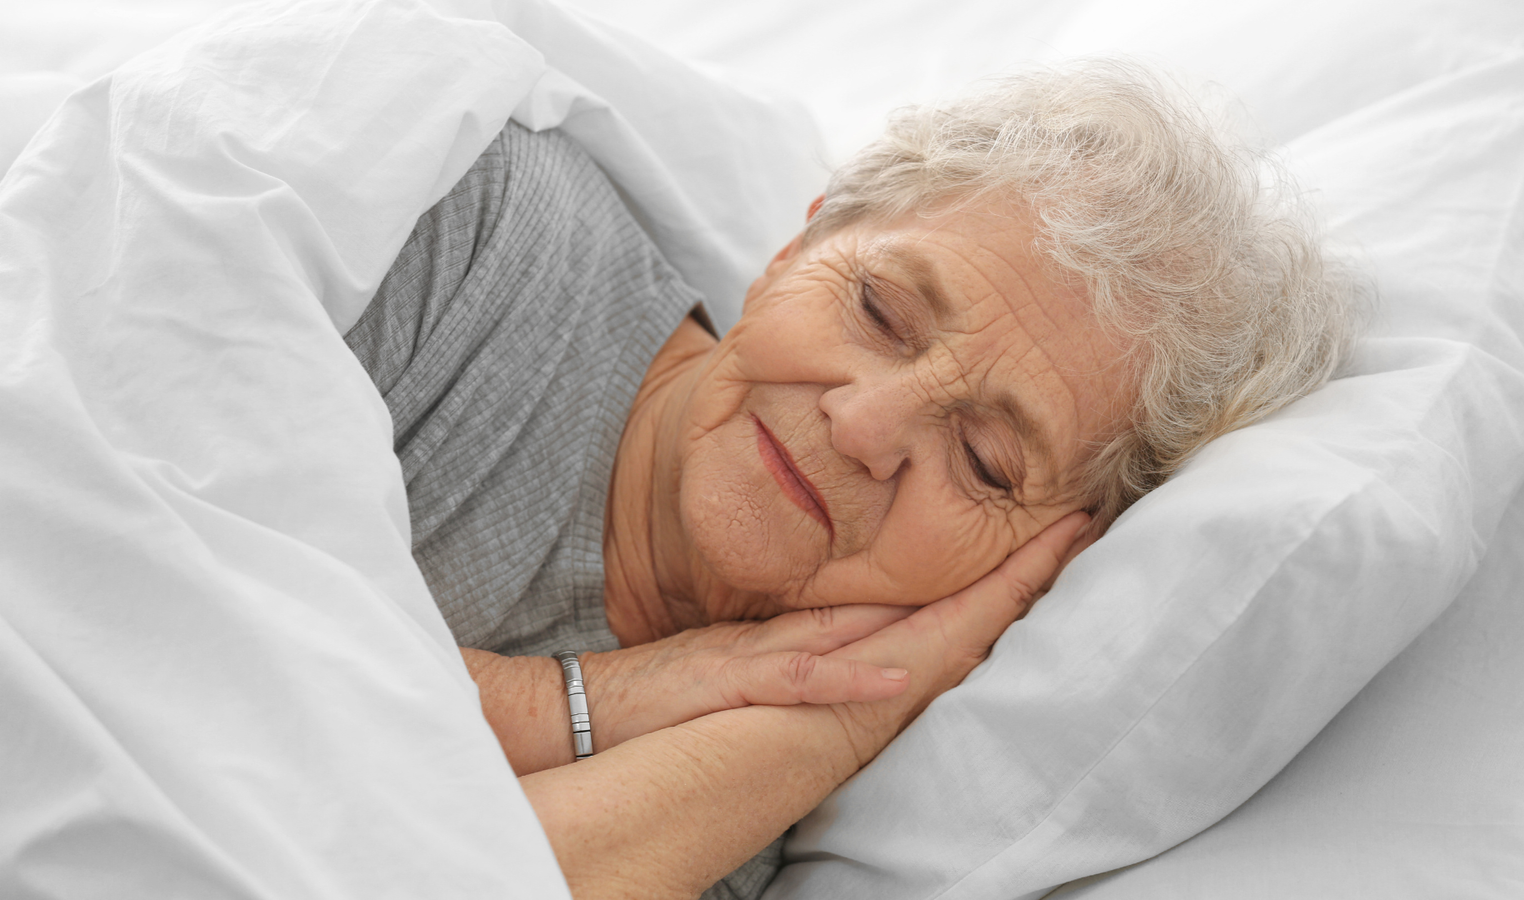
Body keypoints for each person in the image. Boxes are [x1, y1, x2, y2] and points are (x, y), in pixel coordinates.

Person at [343, 60, 1354, 900]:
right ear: (798, 248)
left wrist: (848, 716)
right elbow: (188, 627)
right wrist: (589, 700)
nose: (864, 424)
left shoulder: (740, 798)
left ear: (1048, 562)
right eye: (878, 312)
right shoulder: (468, 232)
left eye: (986, 462)